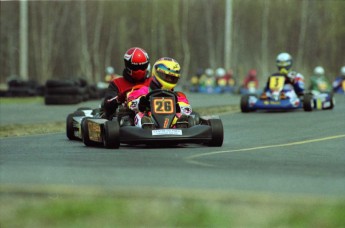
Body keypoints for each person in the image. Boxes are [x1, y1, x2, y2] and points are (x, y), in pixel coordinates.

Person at [126, 57, 192, 129]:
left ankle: (181, 125)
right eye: (166, 76)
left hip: (171, 124)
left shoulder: (177, 96)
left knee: (180, 115)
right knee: (141, 114)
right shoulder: (144, 90)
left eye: (172, 78)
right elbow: (131, 101)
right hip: (149, 120)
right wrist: (141, 102)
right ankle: (147, 126)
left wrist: (178, 107)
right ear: (157, 73)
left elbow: (187, 109)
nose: (169, 80)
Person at [100, 47, 151, 120]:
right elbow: (107, 104)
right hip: (127, 122)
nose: (139, 70)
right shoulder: (117, 83)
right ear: (128, 66)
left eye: (142, 67)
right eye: (135, 67)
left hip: (153, 119)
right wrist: (120, 98)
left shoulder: (152, 82)